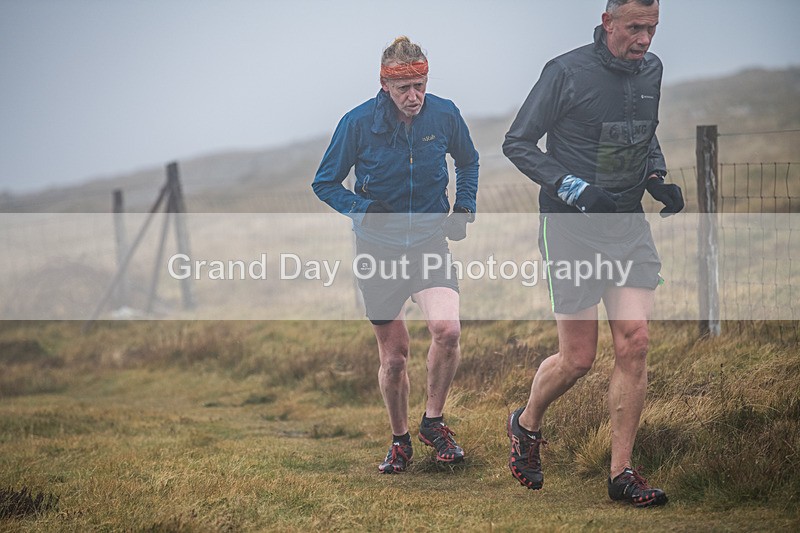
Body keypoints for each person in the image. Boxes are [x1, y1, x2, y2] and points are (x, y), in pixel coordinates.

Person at [502, 0, 683, 507]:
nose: (644, 39)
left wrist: (655, 176)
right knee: (578, 357)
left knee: (636, 342)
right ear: (608, 23)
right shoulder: (565, 72)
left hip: (626, 226)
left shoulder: (653, 70)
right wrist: (575, 187)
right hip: (571, 229)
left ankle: (621, 473)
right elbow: (518, 142)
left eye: (651, 28)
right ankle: (526, 422)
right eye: (633, 28)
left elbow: (644, 132)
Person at [312, 36, 479, 474]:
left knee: (447, 330)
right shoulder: (357, 123)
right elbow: (325, 182)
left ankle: (434, 422)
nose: (415, 97)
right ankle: (400, 439)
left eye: (421, 85)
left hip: (428, 243)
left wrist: (464, 207)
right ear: (385, 84)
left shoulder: (444, 113)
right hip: (378, 252)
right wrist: (363, 211)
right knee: (395, 356)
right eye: (405, 88)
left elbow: (469, 160)